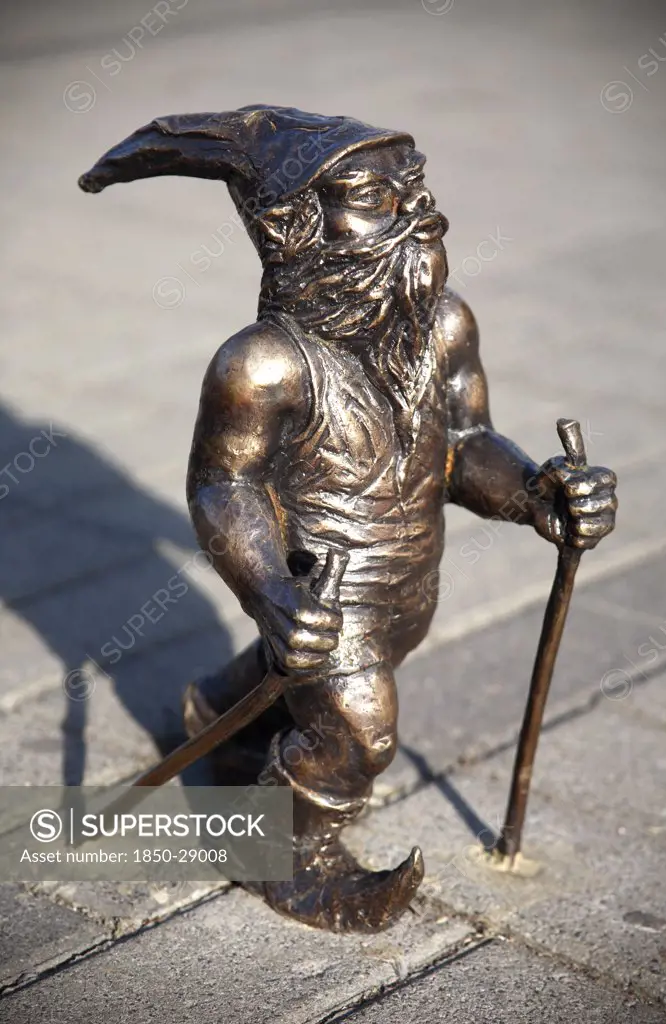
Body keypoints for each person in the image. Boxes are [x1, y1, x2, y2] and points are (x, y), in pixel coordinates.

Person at [79, 106, 617, 932]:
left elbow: (466, 446)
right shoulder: (264, 362)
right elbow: (223, 487)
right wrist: (269, 589)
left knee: (285, 676)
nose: (418, 210)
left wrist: (540, 495)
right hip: (328, 600)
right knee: (360, 733)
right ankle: (284, 856)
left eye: (417, 185)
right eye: (376, 195)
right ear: (297, 227)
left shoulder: (444, 326)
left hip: (409, 591)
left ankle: (211, 714)